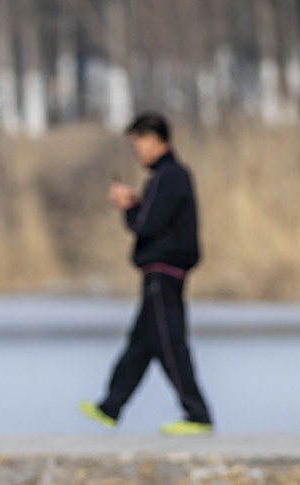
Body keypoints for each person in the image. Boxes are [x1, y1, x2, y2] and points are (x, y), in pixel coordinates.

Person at [79, 112, 213, 436]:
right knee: (141, 344)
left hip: (163, 271)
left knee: (169, 342)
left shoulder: (168, 176)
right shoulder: (170, 177)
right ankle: (110, 407)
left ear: (154, 140)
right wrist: (139, 202)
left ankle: (197, 416)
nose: (137, 151)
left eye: (137, 144)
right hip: (162, 270)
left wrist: (127, 205)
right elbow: (157, 217)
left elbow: (144, 224)